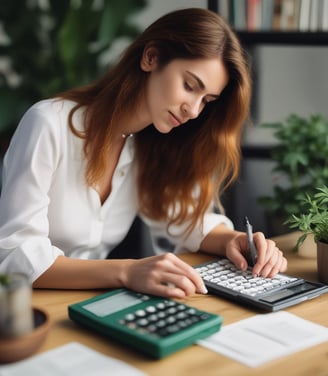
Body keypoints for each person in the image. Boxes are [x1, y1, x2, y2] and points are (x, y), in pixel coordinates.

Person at [0, 8, 287, 299]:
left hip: (92, 302)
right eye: (189, 86)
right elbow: (15, 254)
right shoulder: (49, 123)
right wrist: (126, 272)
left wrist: (235, 240)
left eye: (207, 100)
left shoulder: (150, 142)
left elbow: (184, 220)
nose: (194, 110)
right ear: (151, 57)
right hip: (23, 308)